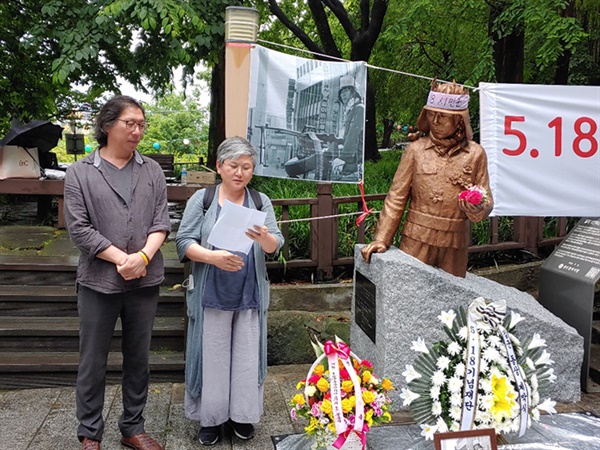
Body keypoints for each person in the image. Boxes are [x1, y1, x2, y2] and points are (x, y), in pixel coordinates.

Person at [64, 95, 170, 450]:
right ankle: (90, 432)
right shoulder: (80, 172)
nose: (138, 131)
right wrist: (121, 259)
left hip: (145, 280)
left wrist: (142, 257)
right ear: (107, 125)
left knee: (138, 357)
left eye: (142, 124)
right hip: (98, 282)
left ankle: (132, 427)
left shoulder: (152, 171)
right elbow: (79, 229)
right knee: (92, 359)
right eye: (131, 124)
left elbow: (161, 222)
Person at [175, 136, 284, 446]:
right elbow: (183, 242)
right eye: (233, 166)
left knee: (247, 358)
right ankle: (211, 419)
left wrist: (264, 237)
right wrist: (213, 257)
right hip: (212, 290)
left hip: (249, 292)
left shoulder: (261, 201)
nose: (240, 172)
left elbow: (276, 245)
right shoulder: (203, 199)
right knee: (214, 357)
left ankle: (242, 416)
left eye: (246, 167)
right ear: (220, 167)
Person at [361, 80, 493, 277]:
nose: (436, 121)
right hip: (417, 237)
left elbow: (487, 199)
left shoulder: (475, 154)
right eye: (432, 115)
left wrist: (479, 208)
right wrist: (381, 238)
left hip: (455, 241)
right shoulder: (415, 150)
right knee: (409, 288)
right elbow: (396, 197)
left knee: (451, 298)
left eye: (444, 116)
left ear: (459, 120)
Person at [337, 74, 364, 175]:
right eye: (341, 92)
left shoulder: (359, 109)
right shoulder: (350, 111)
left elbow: (354, 135)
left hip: (354, 160)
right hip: (350, 158)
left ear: (353, 92)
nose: (343, 95)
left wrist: (343, 158)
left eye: (346, 91)